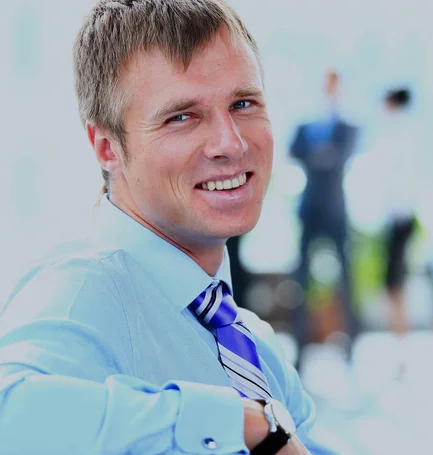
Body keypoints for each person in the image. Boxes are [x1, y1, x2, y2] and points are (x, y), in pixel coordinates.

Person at [0, 1, 336, 454]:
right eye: (182, 116)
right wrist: (240, 422)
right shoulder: (86, 286)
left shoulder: (254, 342)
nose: (230, 143)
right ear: (106, 147)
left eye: (243, 103)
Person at [289, 70, 360, 349]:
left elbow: (339, 155)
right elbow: (295, 151)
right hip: (309, 208)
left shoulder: (346, 125)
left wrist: (318, 155)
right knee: (301, 279)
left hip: (335, 210)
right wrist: (323, 154)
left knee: (346, 279)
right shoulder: (306, 124)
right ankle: (300, 343)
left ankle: (351, 344)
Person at [368, 88, 419, 333]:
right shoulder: (405, 132)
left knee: (396, 285)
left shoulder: (398, 134)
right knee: (395, 284)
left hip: (400, 217)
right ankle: (399, 336)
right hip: (398, 218)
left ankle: (400, 338)